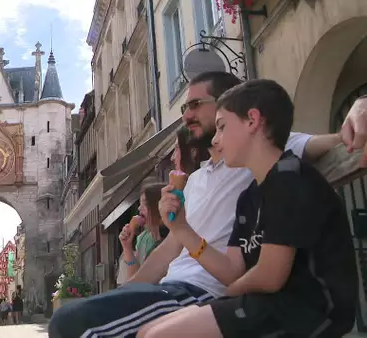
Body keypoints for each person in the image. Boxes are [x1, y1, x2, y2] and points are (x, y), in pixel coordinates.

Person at [48, 71, 363, 338]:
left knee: (71, 323)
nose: (186, 116)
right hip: (181, 289)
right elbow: (168, 251)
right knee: (81, 317)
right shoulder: (204, 181)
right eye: (184, 106)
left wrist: (361, 105)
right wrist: (127, 292)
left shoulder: (273, 157)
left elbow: (342, 141)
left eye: (196, 105)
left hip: (205, 292)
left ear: (243, 114)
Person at [143, 79, 358, 337]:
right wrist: (181, 228)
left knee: (159, 335)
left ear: (253, 121)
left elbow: (269, 276)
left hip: (306, 310)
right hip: (267, 302)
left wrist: (222, 299)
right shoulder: (249, 197)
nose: (217, 139)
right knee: (148, 330)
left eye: (222, 127)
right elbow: (232, 271)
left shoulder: (288, 178)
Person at [116, 182, 168, 285]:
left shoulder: (172, 238)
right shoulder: (143, 238)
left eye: (145, 203)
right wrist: (127, 247)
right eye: (140, 203)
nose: (139, 208)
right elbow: (135, 279)